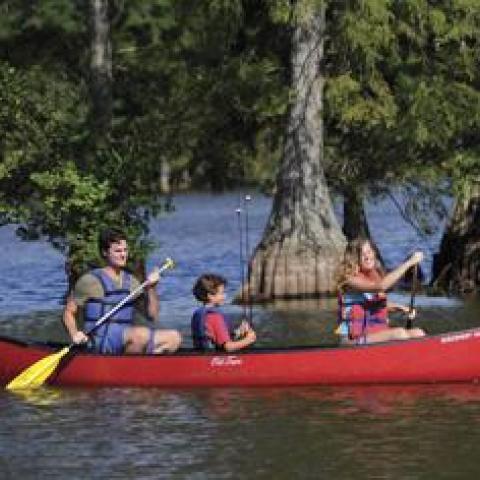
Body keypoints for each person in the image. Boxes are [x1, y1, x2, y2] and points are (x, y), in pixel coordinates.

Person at [63, 228, 182, 354]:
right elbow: (68, 313)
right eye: (118, 251)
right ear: (105, 252)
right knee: (140, 335)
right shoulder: (89, 281)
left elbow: (152, 315)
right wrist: (74, 334)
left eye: (125, 250)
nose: (123, 255)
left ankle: (139, 366)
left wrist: (152, 288)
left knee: (174, 338)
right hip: (100, 341)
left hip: (125, 339)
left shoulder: (132, 282)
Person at [336, 237, 426, 344]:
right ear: (354, 259)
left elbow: (372, 303)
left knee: (419, 333)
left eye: (369, 252)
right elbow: (381, 286)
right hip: (352, 340)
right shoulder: (349, 279)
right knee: (399, 334)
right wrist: (409, 263)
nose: (367, 256)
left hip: (373, 334)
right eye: (361, 254)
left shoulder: (374, 276)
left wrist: (399, 308)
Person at [191, 273, 256, 352]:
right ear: (210, 296)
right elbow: (228, 347)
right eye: (221, 293)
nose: (224, 296)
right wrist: (248, 340)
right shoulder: (214, 316)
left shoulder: (199, 313)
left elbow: (217, 339)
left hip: (202, 355)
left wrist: (238, 333)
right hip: (214, 360)